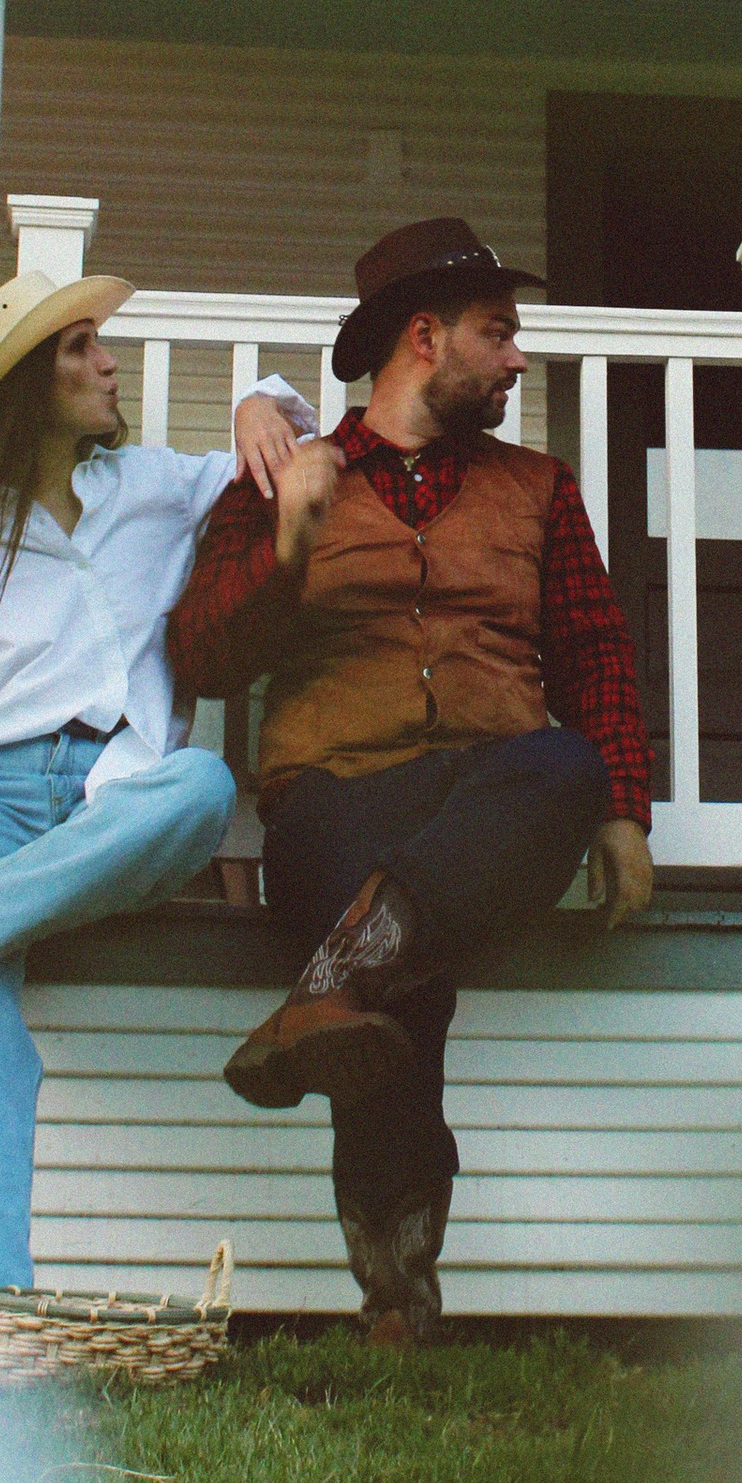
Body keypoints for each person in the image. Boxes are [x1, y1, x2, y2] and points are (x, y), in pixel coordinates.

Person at [167, 217, 654, 1345]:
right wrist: (288, 551)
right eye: (501, 334)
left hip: (496, 782)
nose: (518, 358)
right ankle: (400, 1285)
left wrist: (621, 811)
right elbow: (200, 655)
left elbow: (591, 654)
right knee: (403, 965)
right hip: (333, 792)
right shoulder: (280, 477)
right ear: (426, 338)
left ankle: (327, 1004)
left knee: (563, 764)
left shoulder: (540, 487)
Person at [0, 265, 316, 1332]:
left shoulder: (151, 487)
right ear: (24, 391)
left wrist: (256, 401)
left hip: (119, 795)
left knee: (200, 786)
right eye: (78, 349)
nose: (107, 364)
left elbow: (288, 444)